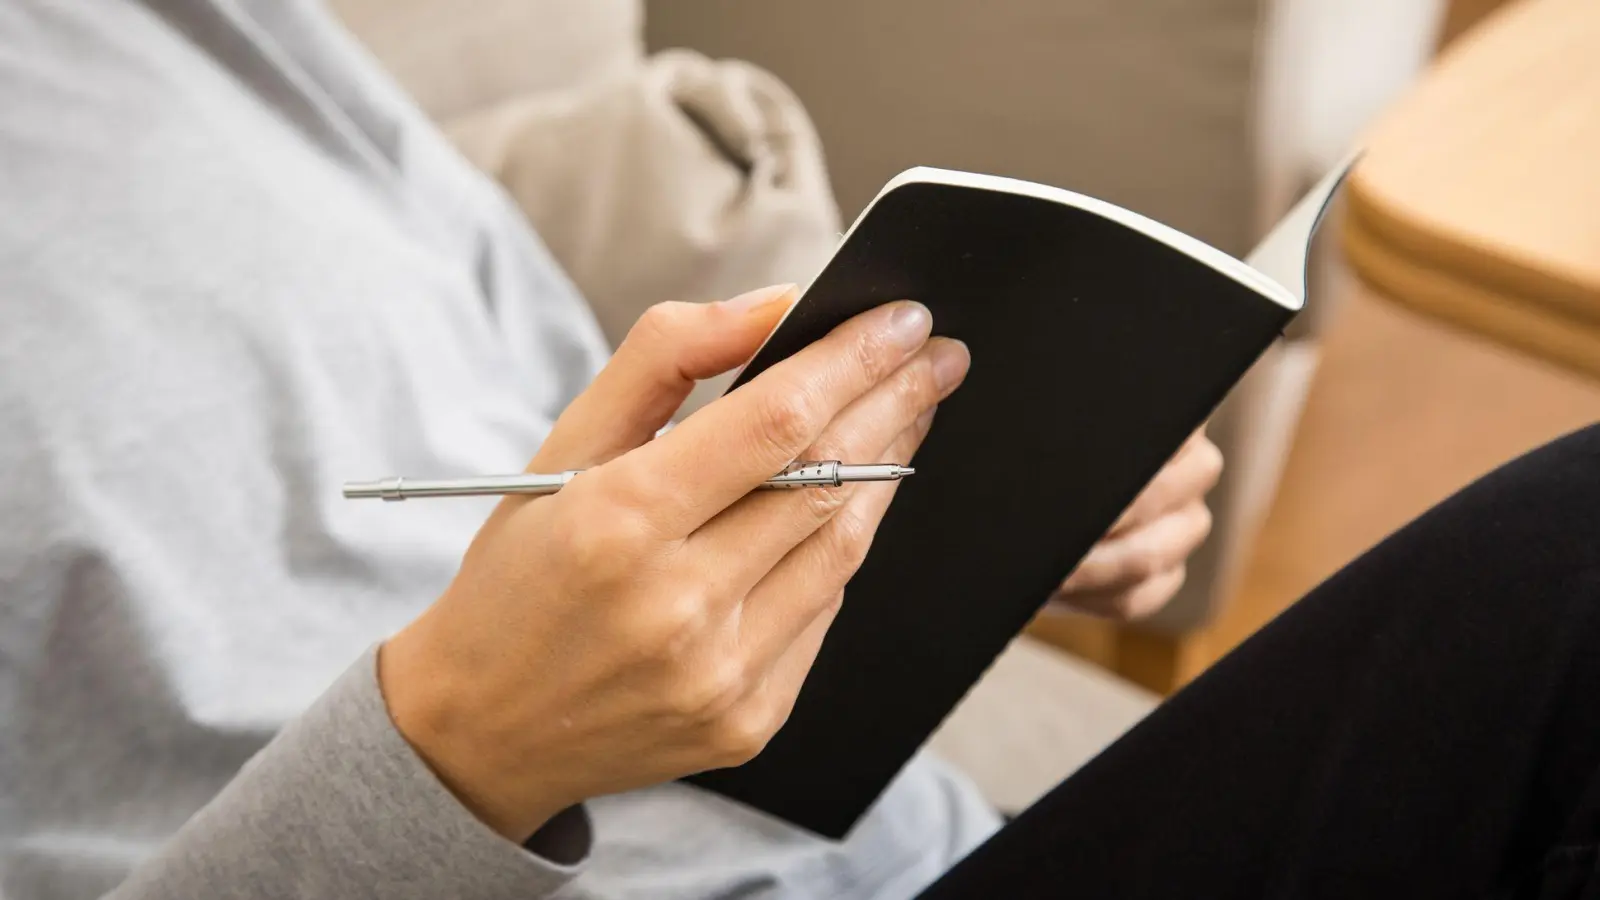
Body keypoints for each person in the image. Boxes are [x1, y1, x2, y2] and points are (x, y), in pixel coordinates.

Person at [0, 2, 1218, 899]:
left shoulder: (169, 31)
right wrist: (457, 752)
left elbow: (536, 397)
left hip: (933, 847)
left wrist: (943, 521)